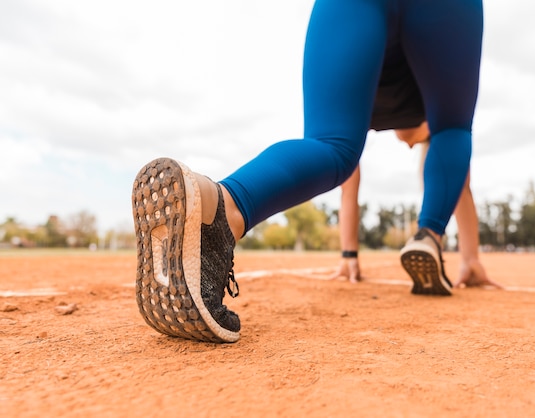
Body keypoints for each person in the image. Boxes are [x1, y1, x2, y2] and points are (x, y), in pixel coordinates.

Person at [132, 0, 484, 343]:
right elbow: (458, 178)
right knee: (452, 130)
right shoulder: (431, 128)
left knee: (331, 145)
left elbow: (348, 184)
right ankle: (429, 237)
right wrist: (454, 246)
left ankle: (221, 203)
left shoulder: (366, 115)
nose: (408, 144)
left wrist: (350, 254)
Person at [333, 125, 501, 289]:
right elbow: (348, 184)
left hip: (431, 123)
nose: (409, 146)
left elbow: (460, 183)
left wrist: (471, 260)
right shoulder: (361, 112)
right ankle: (429, 239)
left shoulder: (441, 119)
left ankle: (431, 240)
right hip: (377, 118)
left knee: (450, 148)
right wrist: (349, 255)